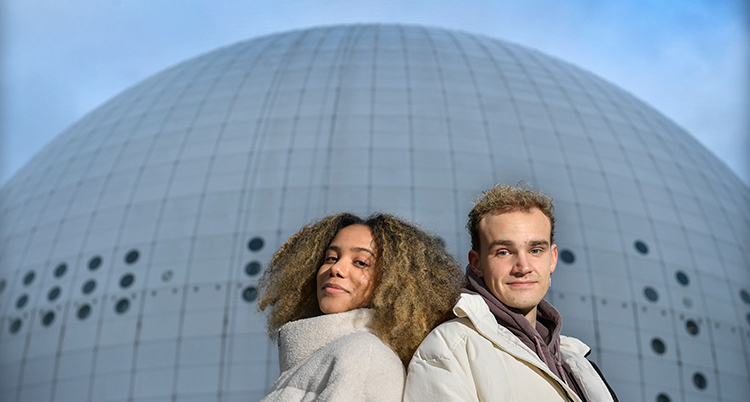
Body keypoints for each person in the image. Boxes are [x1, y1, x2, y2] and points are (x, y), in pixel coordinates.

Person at [404, 183, 618, 402]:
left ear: (552, 258)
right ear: (476, 263)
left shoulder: (576, 361)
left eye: (535, 250)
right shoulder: (451, 347)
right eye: (504, 252)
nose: (523, 267)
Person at [257, 212, 464, 402]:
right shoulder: (325, 357)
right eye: (331, 258)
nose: (336, 268)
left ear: (394, 282)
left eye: (361, 262)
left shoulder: (363, 355)